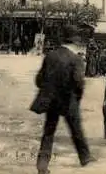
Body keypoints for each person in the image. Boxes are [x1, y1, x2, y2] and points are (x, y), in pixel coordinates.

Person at [30, 25, 95, 174]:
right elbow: (79, 83)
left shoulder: (50, 56)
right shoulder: (76, 59)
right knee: (76, 129)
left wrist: (47, 90)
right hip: (68, 100)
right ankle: (85, 157)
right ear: (74, 42)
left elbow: (39, 79)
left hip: (52, 100)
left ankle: (42, 165)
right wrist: (77, 98)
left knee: (48, 132)